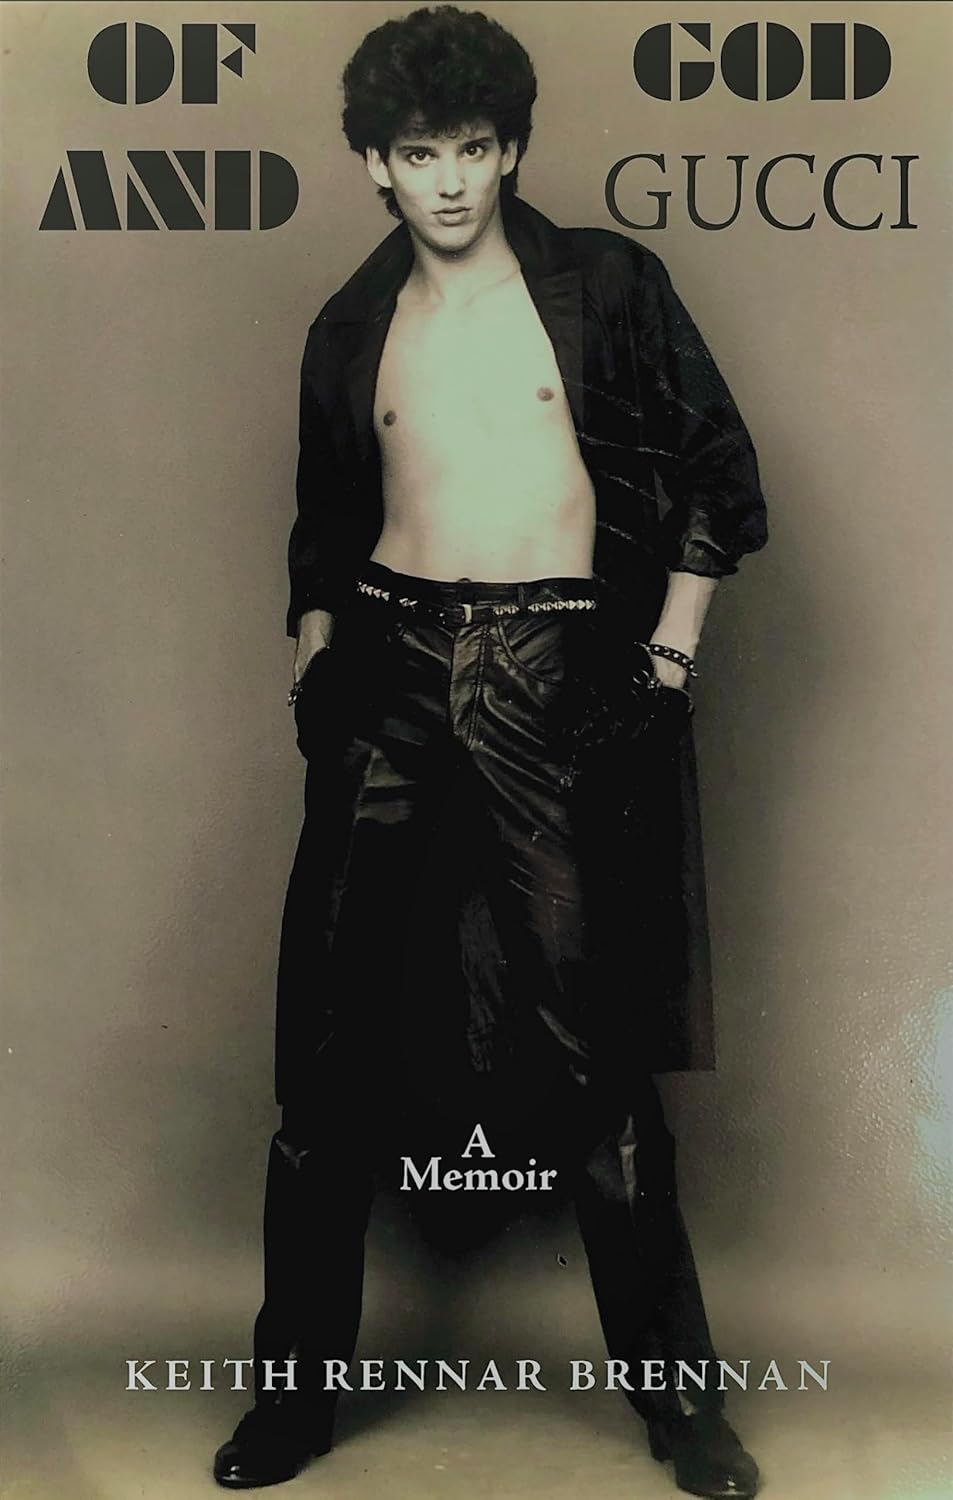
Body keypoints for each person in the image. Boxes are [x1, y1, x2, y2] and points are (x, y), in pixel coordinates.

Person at [213, 6, 768, 1495]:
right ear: (375, 166)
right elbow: (326, 524)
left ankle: (681, 1410)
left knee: (596, 1057)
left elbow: (716, 474)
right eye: (419, 154)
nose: (449, 180)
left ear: (511, 148)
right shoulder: (349, 326)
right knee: (324, 1055)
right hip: (385, 671)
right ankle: (291, 1400)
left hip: (549, 667)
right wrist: (316, 662)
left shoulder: (607, 286)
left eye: (472, 148)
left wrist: (667, 657)